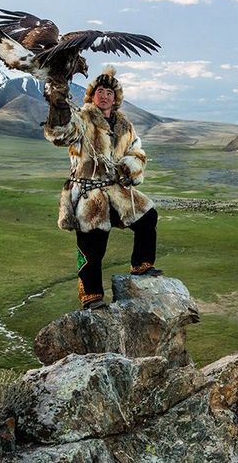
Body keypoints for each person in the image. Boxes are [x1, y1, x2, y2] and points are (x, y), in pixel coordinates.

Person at [43, 65, 162, 310]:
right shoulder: (82, 118)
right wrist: (58, 108)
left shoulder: (125, 125)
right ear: (92, 95)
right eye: (100, 91)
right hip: (89, 192)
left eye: (109, 92)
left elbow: (137, 151)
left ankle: (141, 266)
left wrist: (129, 167)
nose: (105, 96)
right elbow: (60, 134)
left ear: (116, 98)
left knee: (148, 216)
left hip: (116, 189)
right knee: (92, 246)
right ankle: (91, 296)